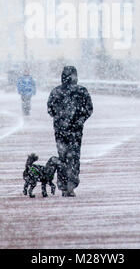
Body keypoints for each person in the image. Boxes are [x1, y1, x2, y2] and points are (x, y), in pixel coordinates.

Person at [47, 66, 93, 197]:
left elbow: (50, 109)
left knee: (62, 157)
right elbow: (89, 109)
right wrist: (80, 120)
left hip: (60, 130)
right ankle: (71, 184)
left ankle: (63, 184)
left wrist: (59, 119)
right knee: (74, 157)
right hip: (75, 131)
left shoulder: (56, 91)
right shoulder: (81, 91)